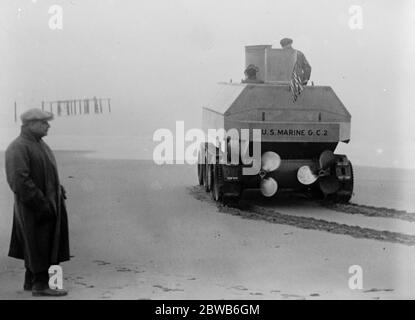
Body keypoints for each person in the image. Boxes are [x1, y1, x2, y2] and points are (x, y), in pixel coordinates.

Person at [5, 108, 70, 297]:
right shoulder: (18, 147)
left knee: (41, 242)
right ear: (30, 125)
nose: (48, 125)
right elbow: (19, 181)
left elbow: (45, 172)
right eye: (43, 123)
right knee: (37, 242)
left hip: (46, 203)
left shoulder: (39, 144)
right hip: (33, 206)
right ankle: (40, 286)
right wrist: (41, 204)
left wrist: (58, 189)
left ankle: (30, 281)